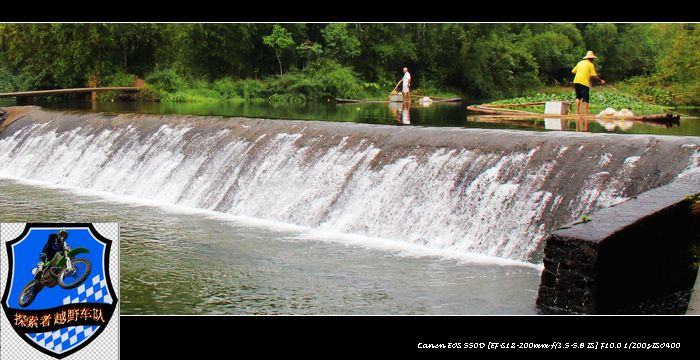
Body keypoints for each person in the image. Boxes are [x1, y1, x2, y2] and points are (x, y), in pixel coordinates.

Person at [571, 50, 606, 115]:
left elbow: (573, 71)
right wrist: (601, 80)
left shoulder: (580, 63)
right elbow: (594, 75)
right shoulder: (590, 64)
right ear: (591, 58)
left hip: (576, 81)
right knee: (586, 98)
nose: (593, 59)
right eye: (593, 58)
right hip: (584, 81)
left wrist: (581, 73)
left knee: (578, 97)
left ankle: (577, 112)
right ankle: (586, 113)